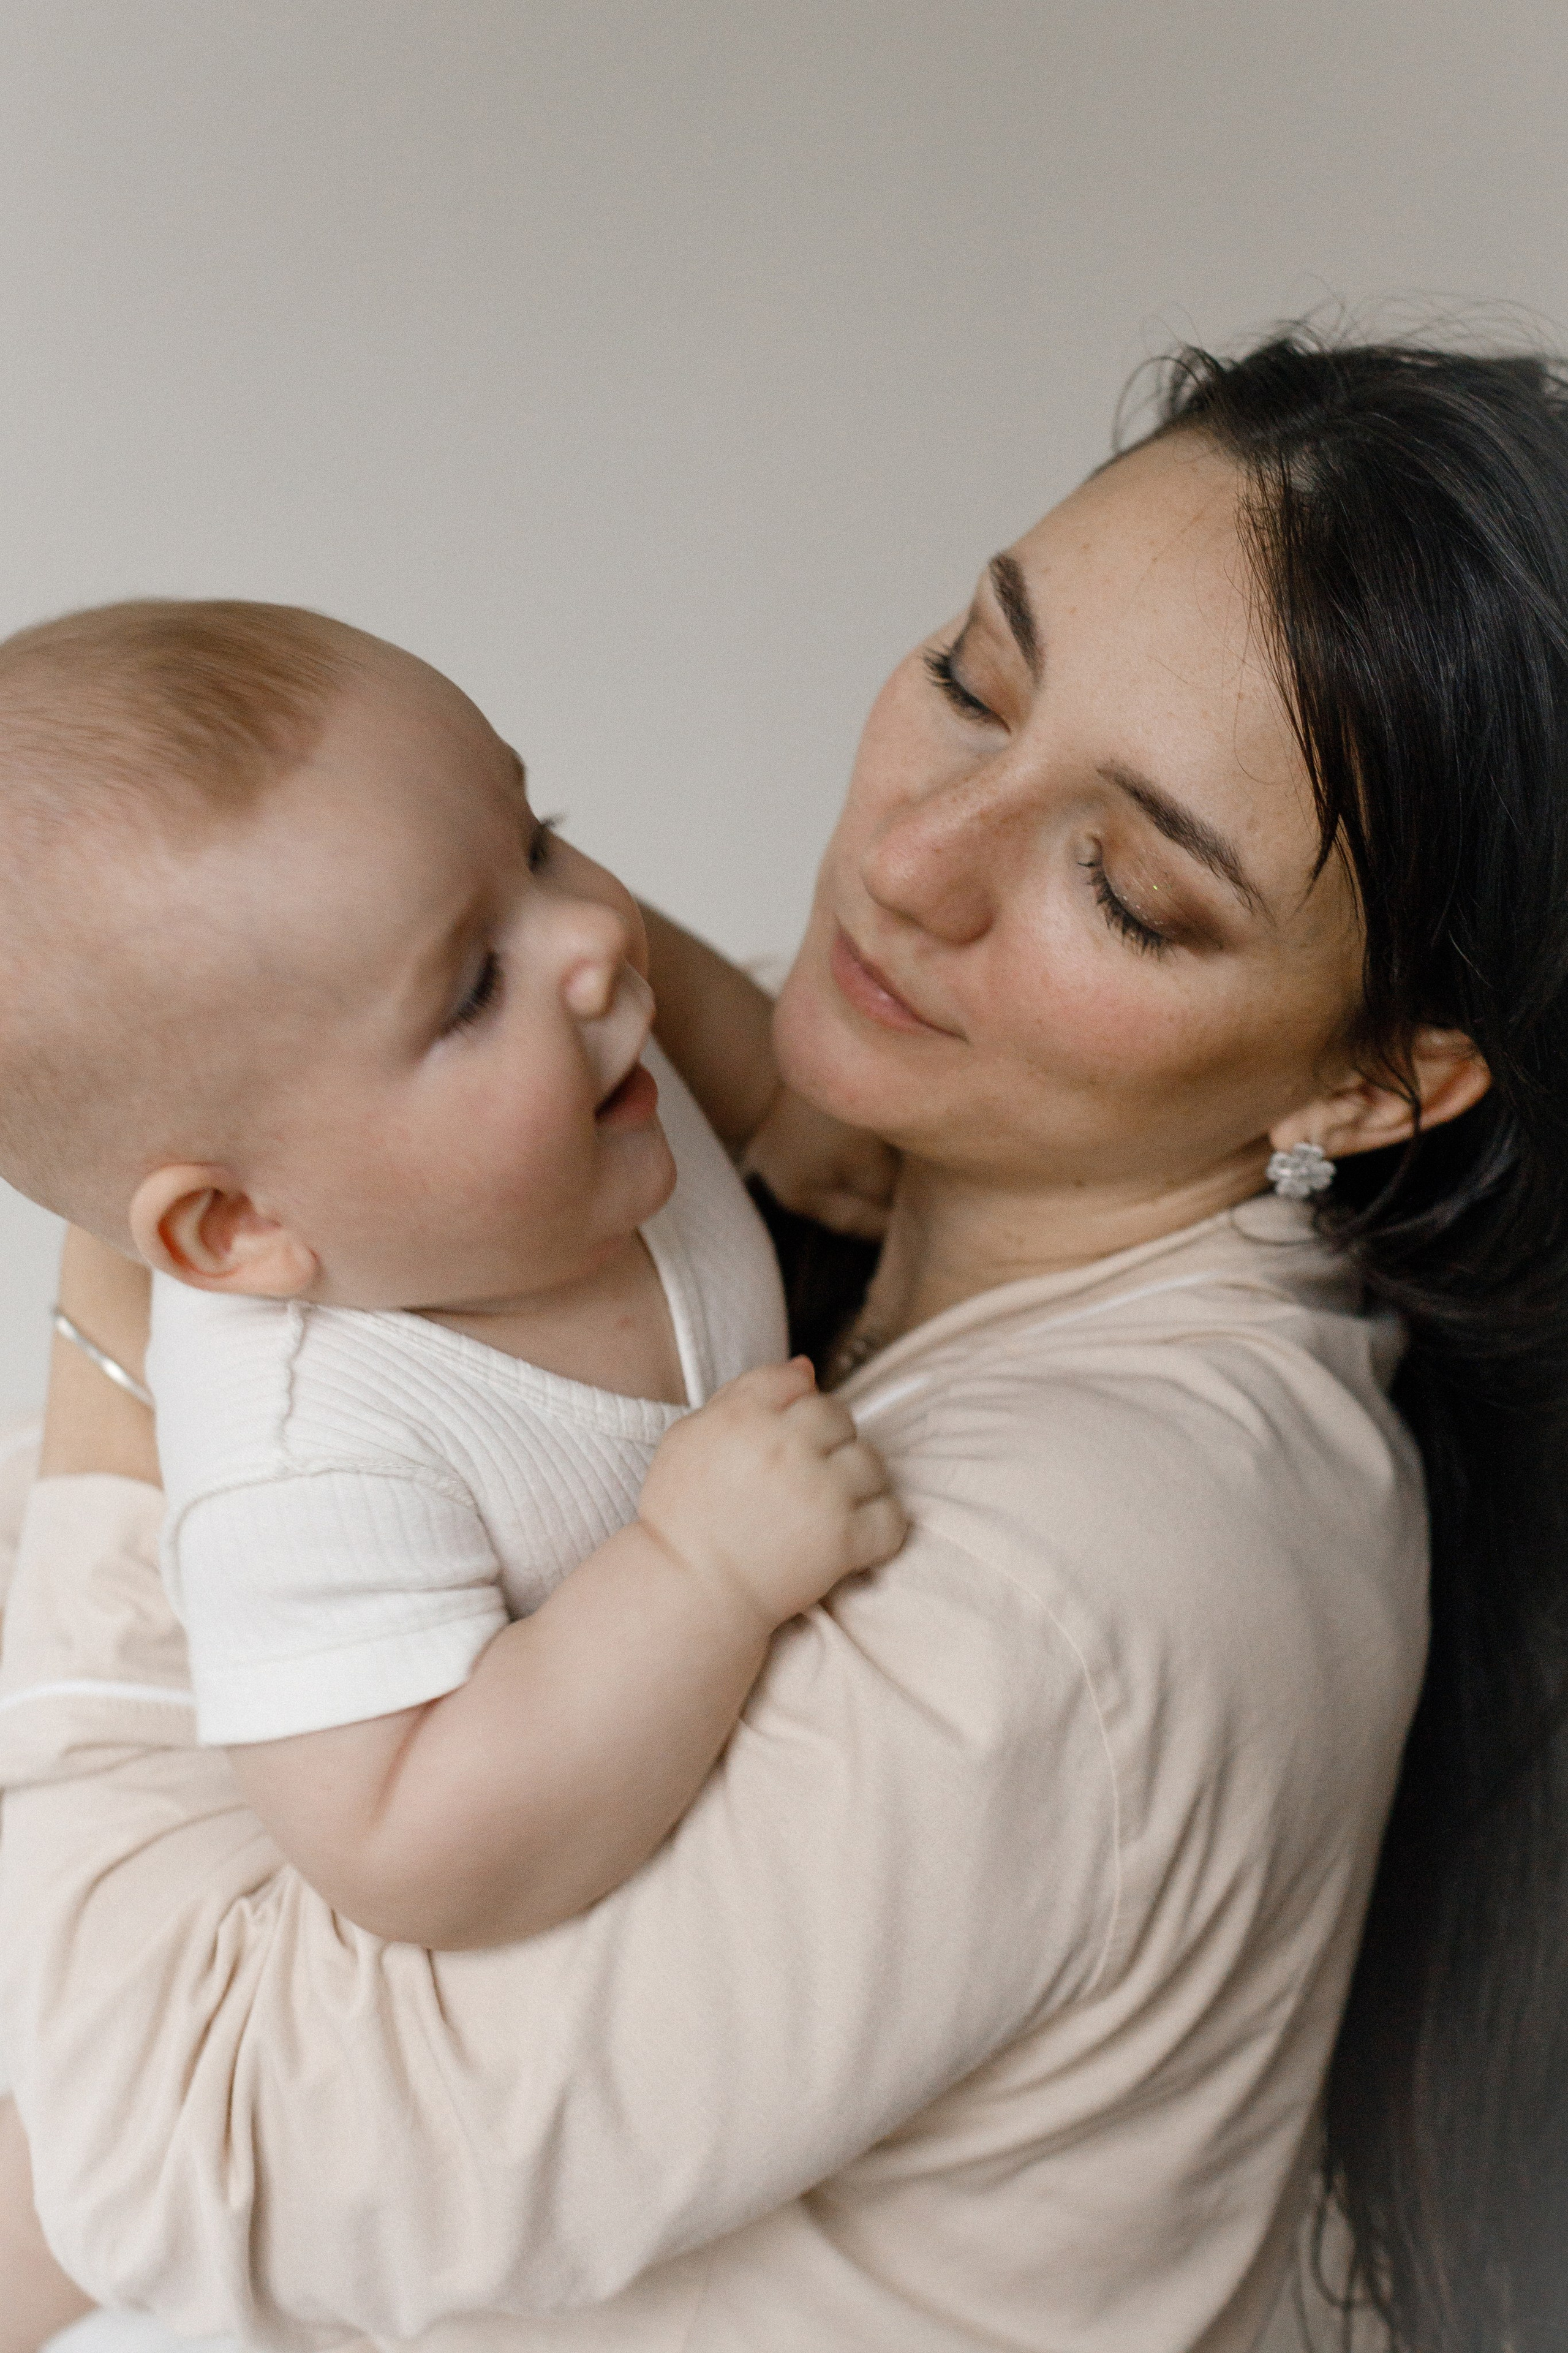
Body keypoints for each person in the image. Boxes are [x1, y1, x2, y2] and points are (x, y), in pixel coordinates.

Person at [2, 328, 1564, 2353]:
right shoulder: (816, 1173)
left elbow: (204, 2160)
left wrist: (135, 1354)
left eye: (1122, 884)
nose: (913, 861)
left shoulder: (1071, 1582)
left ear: (1374, 1083)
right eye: (968, 681)